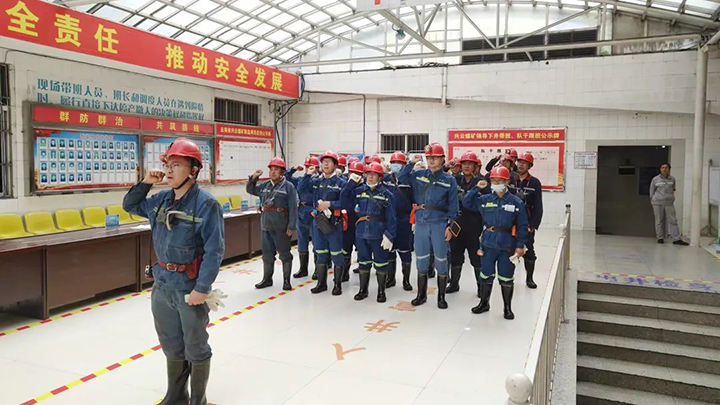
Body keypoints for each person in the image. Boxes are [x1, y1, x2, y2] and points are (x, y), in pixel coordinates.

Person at [123, 138, 224, 405]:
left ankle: (198, 399)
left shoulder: (206, 205)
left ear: (193, 170)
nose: (168, 169)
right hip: (162, 284)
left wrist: (202, 288)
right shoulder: (161, 200)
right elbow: (130, 206)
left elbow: (214, 251)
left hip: (188, 286)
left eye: (176, 164)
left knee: (195, 344)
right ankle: (177, 396)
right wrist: (145, 182)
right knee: (170, 342)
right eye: (168, 164)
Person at [462, 166, 529, 320]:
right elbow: (466, 203)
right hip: (488, 244)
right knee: (486, 275)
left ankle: (507, 308)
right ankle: (484, 303)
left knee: (506, 277)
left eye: (500, 180)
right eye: (494, 180)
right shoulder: (485, 200)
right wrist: (476, 188)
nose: (496, 183)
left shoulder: (516, 202)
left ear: (507, 181)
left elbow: (522, 226)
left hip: (507, 245)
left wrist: (520, 246)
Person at [399, 143, 459, 309]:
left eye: (435, 158)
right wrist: (411, 162)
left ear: (442, 159)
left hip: (439, 223)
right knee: (421, 258)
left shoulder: (449, 180)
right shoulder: (418, 175)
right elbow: (402, 177)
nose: (432, 160)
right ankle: (421, 295)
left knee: (441, 259)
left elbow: (454, 206)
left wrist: (450, 226)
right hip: (421, 223)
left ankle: (441, 297)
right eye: (429, 157)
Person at [341, 162, 396, 302]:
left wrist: (390, 235)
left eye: (374, 175)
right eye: (368, 174)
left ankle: (381, 292)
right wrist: (351, 183)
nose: (370, 177)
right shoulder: (359, 191)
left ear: (380, 177)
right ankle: (363, 290)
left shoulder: (387, 194)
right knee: (363, 261)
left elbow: (392, 217)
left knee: (381, 263)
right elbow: (344, 199)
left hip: (378, 233)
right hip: (361, 232)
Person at [299, 150, 347, 295]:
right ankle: (321, 284)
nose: (325, 164)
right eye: (324, 162)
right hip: (318, 223)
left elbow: (347, 202)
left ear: (335, 165)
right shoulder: (316, 182)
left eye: (329, 162)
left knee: (337, 254)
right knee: (320, 253)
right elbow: (301, 189)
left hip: (334, 224)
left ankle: (337, 285)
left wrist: (330, 204)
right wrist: (308, 174)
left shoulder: (341, 183)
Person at [247, 157, 299, 291]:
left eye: (276, 169)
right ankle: (267, 279)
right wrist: (254, 178)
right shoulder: (265, 186)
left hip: (281, 226)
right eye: (271, 169)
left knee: (285, 254)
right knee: (267, 254)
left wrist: (291, 226)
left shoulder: (288, 186)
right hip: (266, 225)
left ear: (282, 172)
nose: (273, 172)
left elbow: (293, 207)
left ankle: (286, 281)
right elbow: (250, 190)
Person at [448, 151, 489, 297]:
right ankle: (454, 284)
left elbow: (485, 204)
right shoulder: (455, 180)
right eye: (464, 164)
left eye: (470, 164)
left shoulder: (483, 183)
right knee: (455, 255)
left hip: (474, 224)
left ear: (475, 166)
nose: (466, 166)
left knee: (476, 257)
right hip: (457, 223)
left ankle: (480, 287)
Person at [286, 156, 320, 279]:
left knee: (316, 241)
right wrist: (293, 169)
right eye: (306, 166)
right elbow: (286, 177)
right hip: (301, 211)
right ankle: (303, 269)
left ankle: (318, 269)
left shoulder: (317, 181)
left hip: (313, 211)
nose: (308, 168)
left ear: (316, 168)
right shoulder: (301, 179)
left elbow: (301, 188)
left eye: (310, 166)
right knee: (302, 240)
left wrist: (309, 175)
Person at [386, 151, 414, 291]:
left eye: (399, 163)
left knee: (405, 251)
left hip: (405, 220)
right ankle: (390, 279)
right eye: (394, 163)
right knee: (389, 249)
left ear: (404, 165)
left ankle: (406, 280)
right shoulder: (385, 179)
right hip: (389, 219)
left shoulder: (409, 180)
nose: (396, 165)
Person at [515, 152, 543, 289]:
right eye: (519, 162)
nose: (521, 165)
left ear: (529, 166)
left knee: (528, 251)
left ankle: (529, 278)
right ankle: (508, 277)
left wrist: (533, 225)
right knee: (508, 250)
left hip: (526, 223)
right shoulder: (511, 179)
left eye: (524, 163)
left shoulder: (534, 182)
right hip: (510, 221)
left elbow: (538, 206)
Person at [650, 163, 689, 245]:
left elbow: (673, 189)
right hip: (657, 202)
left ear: (669, 169)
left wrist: (670, 197)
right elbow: (651, 191)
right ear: (660, 169)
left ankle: (677, 239)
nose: (664, 169)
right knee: (659, 220)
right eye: (662, 167)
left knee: (673, 220)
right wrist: (653, 200)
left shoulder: (672, 179)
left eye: (666, 168)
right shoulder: (655, 179)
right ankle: (660, 237)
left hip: (669, 203)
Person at [342, 160, 365, 281]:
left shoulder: (364, 188)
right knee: (346, 248)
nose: (354, 175)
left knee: (361, 248)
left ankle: (363, 269)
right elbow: (343, 196)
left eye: (357, 173)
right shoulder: (347, 186)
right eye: (352, 173)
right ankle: (344, 273)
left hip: (360, 222)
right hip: (347, 222)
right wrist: (351, 183)